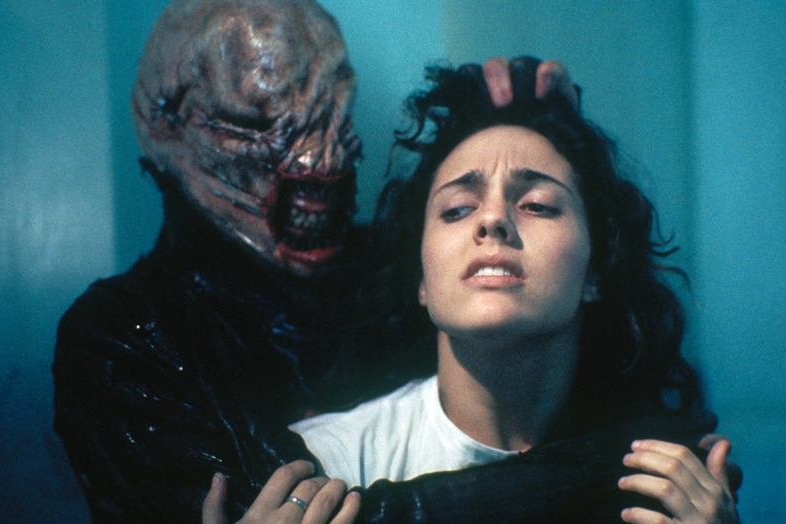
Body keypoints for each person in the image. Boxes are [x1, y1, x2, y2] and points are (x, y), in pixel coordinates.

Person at [52, 0, 614, 522]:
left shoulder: (396, 269)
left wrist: (534, 130)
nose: (322, 161)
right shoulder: (124, 336)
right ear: (166, 126)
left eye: (335, 117)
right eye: (262, 124)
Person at [204, 61, 740, 523]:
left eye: (537, 204)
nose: (492, 220)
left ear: (596, 270)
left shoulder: (663, 479)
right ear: (420, 279)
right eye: (457, 209)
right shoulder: (326, 465)